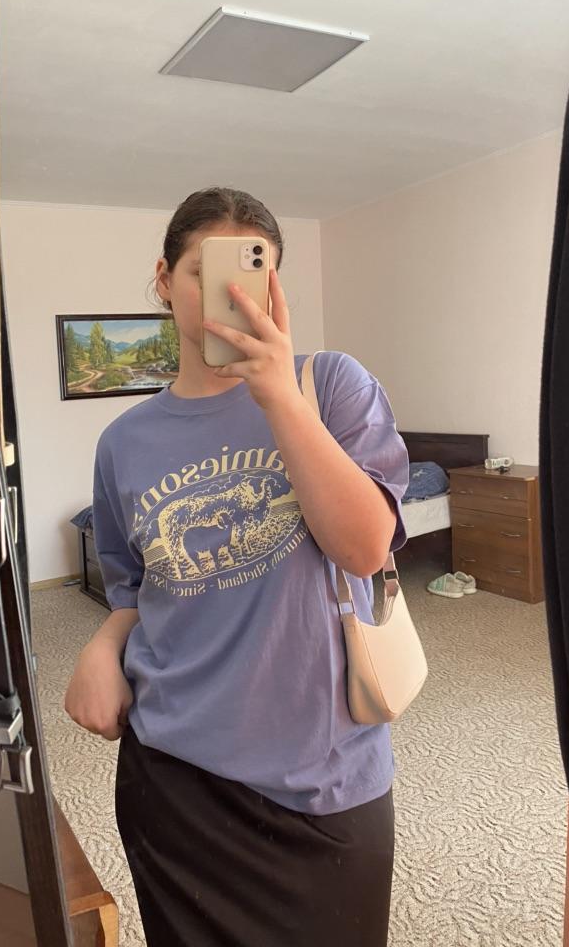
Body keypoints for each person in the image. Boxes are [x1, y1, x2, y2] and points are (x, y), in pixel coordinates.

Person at [64, 187, 410, 947]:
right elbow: (134, 589)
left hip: (323, 778)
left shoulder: (332, 385)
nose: (230, 297)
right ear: (164, 280)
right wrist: (100, 646)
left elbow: (365, 549)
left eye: (253, 273)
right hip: (174, 778)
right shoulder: (124, 442)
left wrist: (278, 396)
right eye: (202, 273)